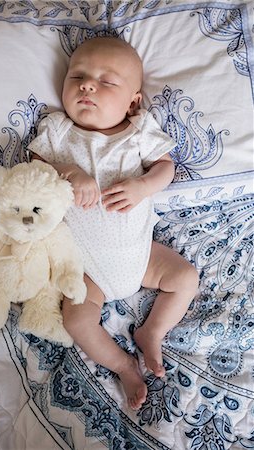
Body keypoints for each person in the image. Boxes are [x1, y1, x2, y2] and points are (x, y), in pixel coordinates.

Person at [28, 36, 199, 410]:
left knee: (186, 278)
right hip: (88, 270)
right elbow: (35, 168)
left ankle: (151, 331)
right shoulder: (58, 130)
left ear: (133, 101)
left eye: (107, 82)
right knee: (77, 321)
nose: (88, 85)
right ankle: (123, 366)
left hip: (140, 256)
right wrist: (68, 172)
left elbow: (166, 168)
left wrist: (142, 186)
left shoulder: (139, 131)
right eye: (78, 76)